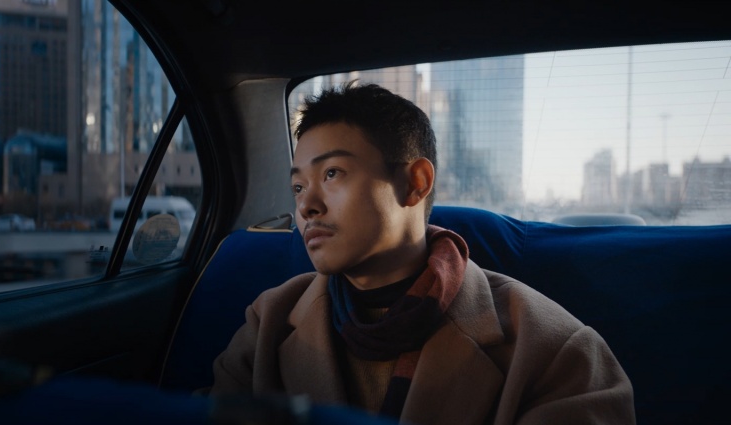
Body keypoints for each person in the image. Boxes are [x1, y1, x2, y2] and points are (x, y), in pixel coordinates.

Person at [210, 82, 635, 424]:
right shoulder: (267, 322)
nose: (306, 206)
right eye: (298, 187)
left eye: (333, 173)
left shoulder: (555, 351)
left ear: (416, 183)